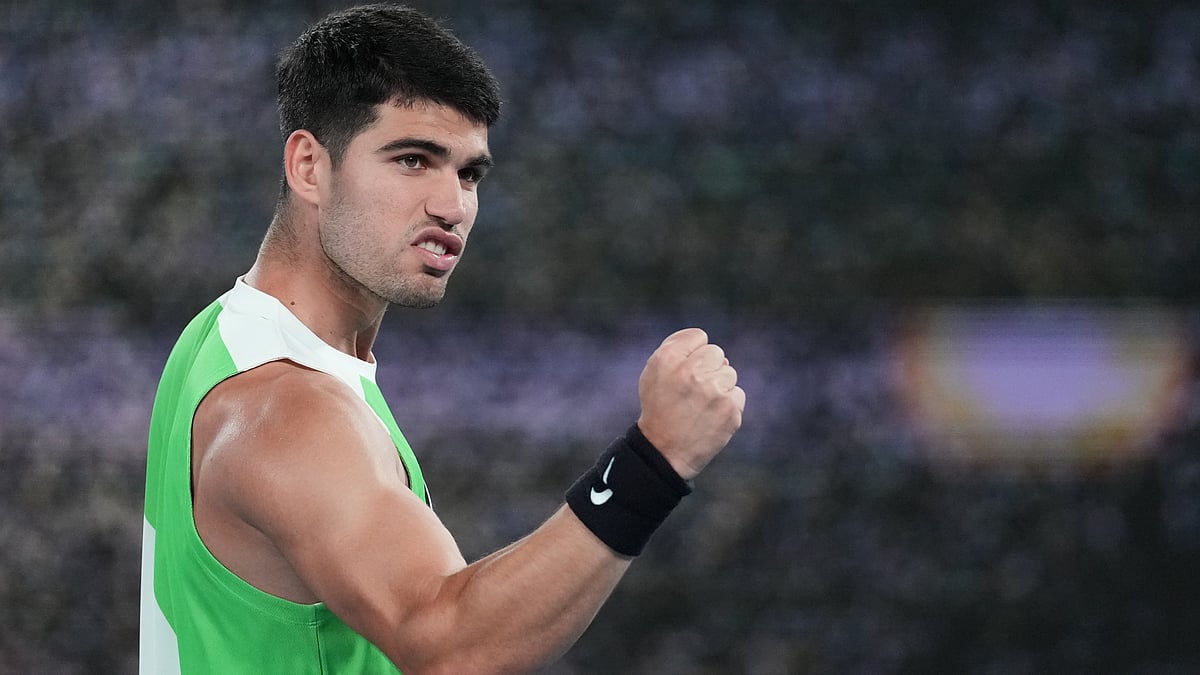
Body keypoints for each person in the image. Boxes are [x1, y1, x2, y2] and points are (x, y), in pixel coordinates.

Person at [139, 4, 745, 673]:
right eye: (412, 160)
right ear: (309, 166)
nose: (451, 204)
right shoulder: (288, 408)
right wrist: (652, 462)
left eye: (468, 172)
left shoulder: (224, 332)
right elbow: (449, 643)